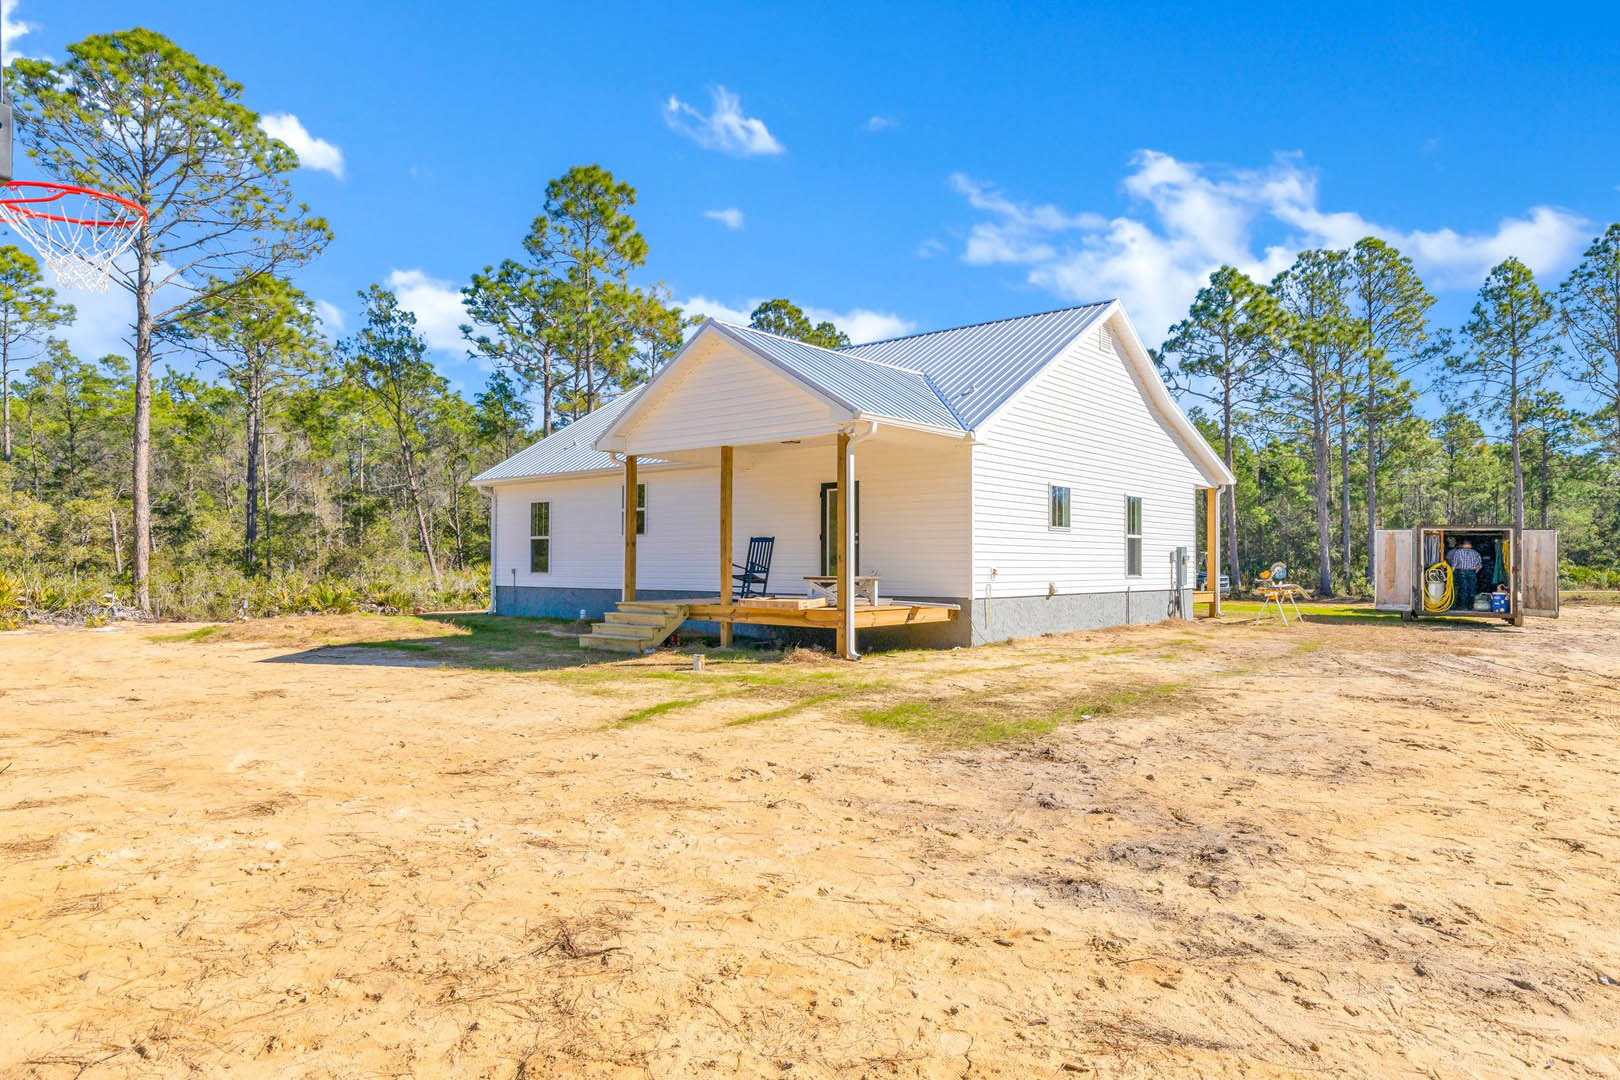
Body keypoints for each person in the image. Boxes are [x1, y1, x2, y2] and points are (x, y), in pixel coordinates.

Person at [1447, 539, 1483, 609]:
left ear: (1463, 545)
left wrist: (1451, 575)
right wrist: (1473, 572)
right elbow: (1479, 566)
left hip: (1461, 572)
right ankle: (1471, 606)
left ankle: (1464, 607)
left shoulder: (1458, 552)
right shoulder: (1476, 553)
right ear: (1471, 545)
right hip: (1472, 572)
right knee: (1472, 589)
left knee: (1463, 590)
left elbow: (1454, 565)